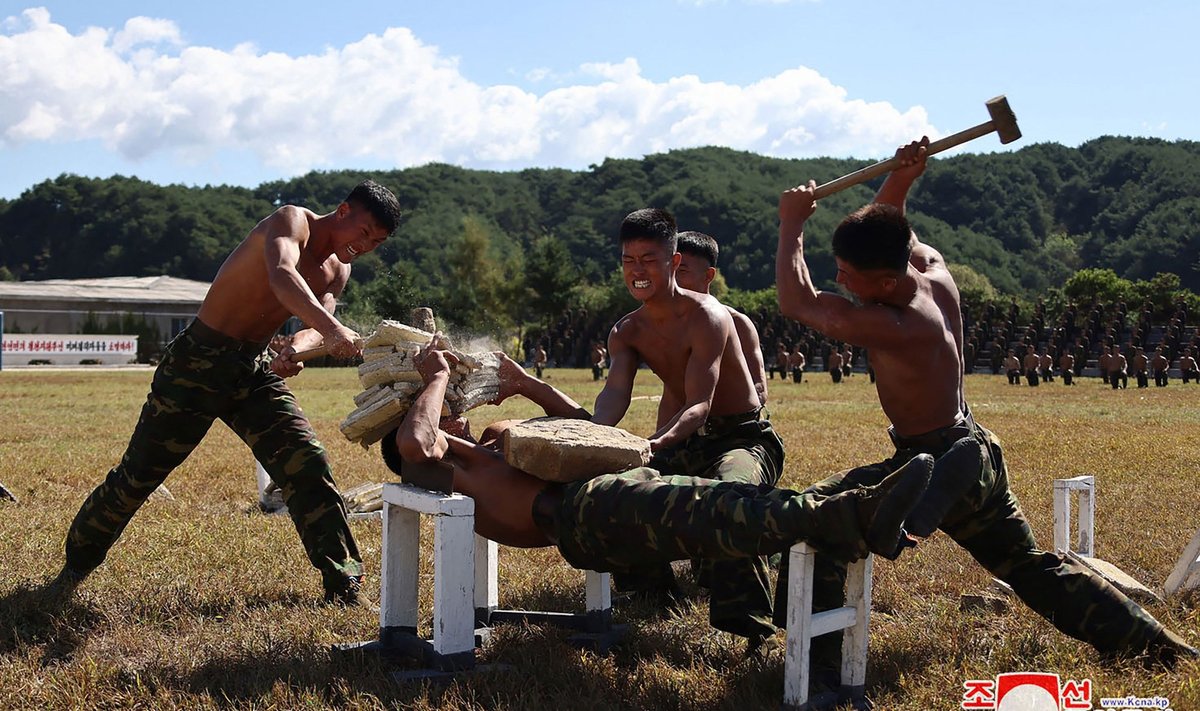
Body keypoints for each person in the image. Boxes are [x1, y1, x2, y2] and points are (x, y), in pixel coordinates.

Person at [775, 137, 1196, 681]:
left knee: (816, 518)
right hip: (972, 451)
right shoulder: (932, 271)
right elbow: (893, 225)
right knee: (1029, 567)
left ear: (882, 281)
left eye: (847, 274)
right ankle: (1157, 647)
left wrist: (792, 225)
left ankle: (816, 668)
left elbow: (797, 301)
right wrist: (902, 178)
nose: (839, 280)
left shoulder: (895, 325)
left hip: (933, 466)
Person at [51, 180, 403, 605]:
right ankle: (75, 564)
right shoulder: (292, 221)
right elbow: (283, 276)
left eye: (376, 242)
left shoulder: (338, 271)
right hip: (196, 362)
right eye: (364, 233)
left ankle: (344, 582)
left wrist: (296, 348)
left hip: (250, 370)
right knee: (138, 475)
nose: (365, 246)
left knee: (306, 462)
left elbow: (314, 325)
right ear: (344, 211)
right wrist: (332, 331)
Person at [384, 345, 932, 610]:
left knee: (724, 502)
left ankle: (866, 494)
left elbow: (584, 430)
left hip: (602, 493)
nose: (449, 405)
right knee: (713, 510)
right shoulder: (433, 463)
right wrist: (431, 380)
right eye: (434, 405)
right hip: (580, 515)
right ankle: (851, 514)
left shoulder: (489, 443)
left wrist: (528, 384)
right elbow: (415, 440)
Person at [592, 208, 785, 645]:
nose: (637, 271)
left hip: (741, 438)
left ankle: (752, 625)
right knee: (617, 490)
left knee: (732, 494)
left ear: (674, 261)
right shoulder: (626, 331)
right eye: (628, 261)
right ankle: (652, 592)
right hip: (685, 438)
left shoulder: (709, 316)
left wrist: (656, 444)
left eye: (648, 259)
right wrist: (593, 437)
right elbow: (614, 397)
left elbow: (700, 403)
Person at [671, 230, 768, 406]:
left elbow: (758, 387)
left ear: (708, 275)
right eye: (671, 270)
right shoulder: (665, 324)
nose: (673, 280)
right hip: (682, 425)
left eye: (682, 271)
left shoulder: (737, 323)